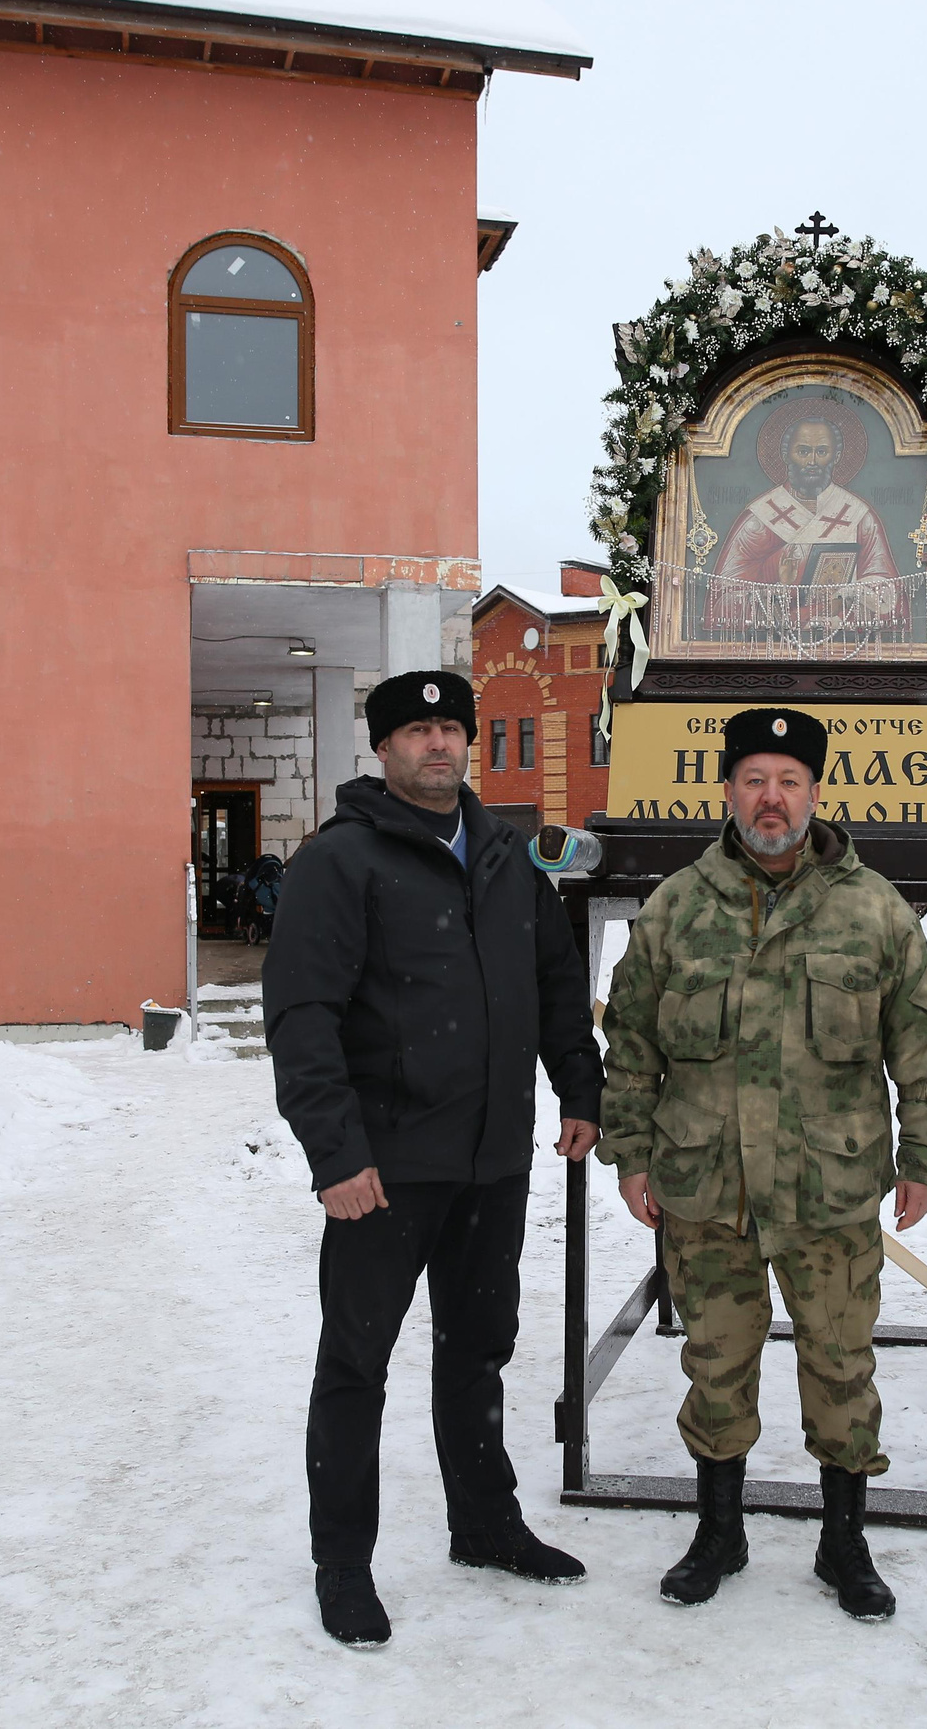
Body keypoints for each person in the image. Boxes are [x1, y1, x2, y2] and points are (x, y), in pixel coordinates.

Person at [264, 670, 604, 1649]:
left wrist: (578, 1088)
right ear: (383, 749)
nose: (439, 745)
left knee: (477, 1351)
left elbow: (552, 979)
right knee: (355, 1364)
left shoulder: (503, 853)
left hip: (491, 1160)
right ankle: (343, 1564)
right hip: (384, 1169)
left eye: (450, 727)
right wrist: (336, 1153)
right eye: (417, 730)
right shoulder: (339, 863)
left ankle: (486, 1524)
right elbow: (303, 1017)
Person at [598, 707, 927, 1620]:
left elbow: (924, 1041)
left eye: (789, 781)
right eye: (755, 780)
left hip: (827, 1191)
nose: (772, 798)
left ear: (815, 793)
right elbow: (632, 1041)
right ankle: (719, 1530)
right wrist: (628, 1153)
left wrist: (926, 1154)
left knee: (842, 1366)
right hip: (705, 1188)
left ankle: (845, 1542)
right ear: (727, 791)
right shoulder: (678, 905)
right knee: (715, 1364)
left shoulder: (871, 907)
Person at [708, 403, 898, 632]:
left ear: (836, 456)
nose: (812, 462)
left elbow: (886, 585)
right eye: (803, 451)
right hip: (775, 643)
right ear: (787, 454)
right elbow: (722, 600)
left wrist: (849, 595)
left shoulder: (859, 516)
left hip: (840, 638)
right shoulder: (758, 520)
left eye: (821, 452)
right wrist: (779, 587)